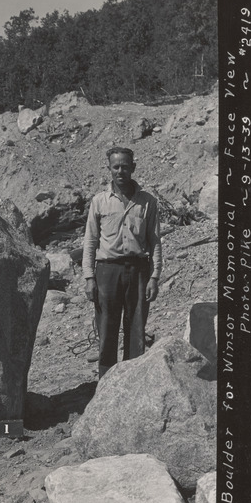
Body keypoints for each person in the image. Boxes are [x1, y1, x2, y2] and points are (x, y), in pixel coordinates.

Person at [83, 146, 162, 378]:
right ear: (109, 169)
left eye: (125, 166)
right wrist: (89, 277)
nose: (120, 171)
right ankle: (106, 383)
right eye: (116, 166)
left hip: (139, 270)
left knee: (136, 327)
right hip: (107, 271)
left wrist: (154, 277)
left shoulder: (147, 202)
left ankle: (131, 380)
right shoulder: (99, 201)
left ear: (133, 168)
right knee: (107, 328)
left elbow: (154, 241)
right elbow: (90, 241)